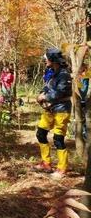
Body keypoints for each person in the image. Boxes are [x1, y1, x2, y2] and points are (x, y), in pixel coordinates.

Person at [35, 48, 72, 179]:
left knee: (58, 139)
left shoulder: (64, 75)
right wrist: (41, 93)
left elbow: (59, 93)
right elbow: (47, 87)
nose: (45, 61)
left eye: (47, 59)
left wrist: (45, 97)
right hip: (50, 110)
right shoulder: (53, 73)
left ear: (53, 60)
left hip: (62, 110)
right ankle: (46, 163)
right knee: (40, 133)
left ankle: (62, 169)